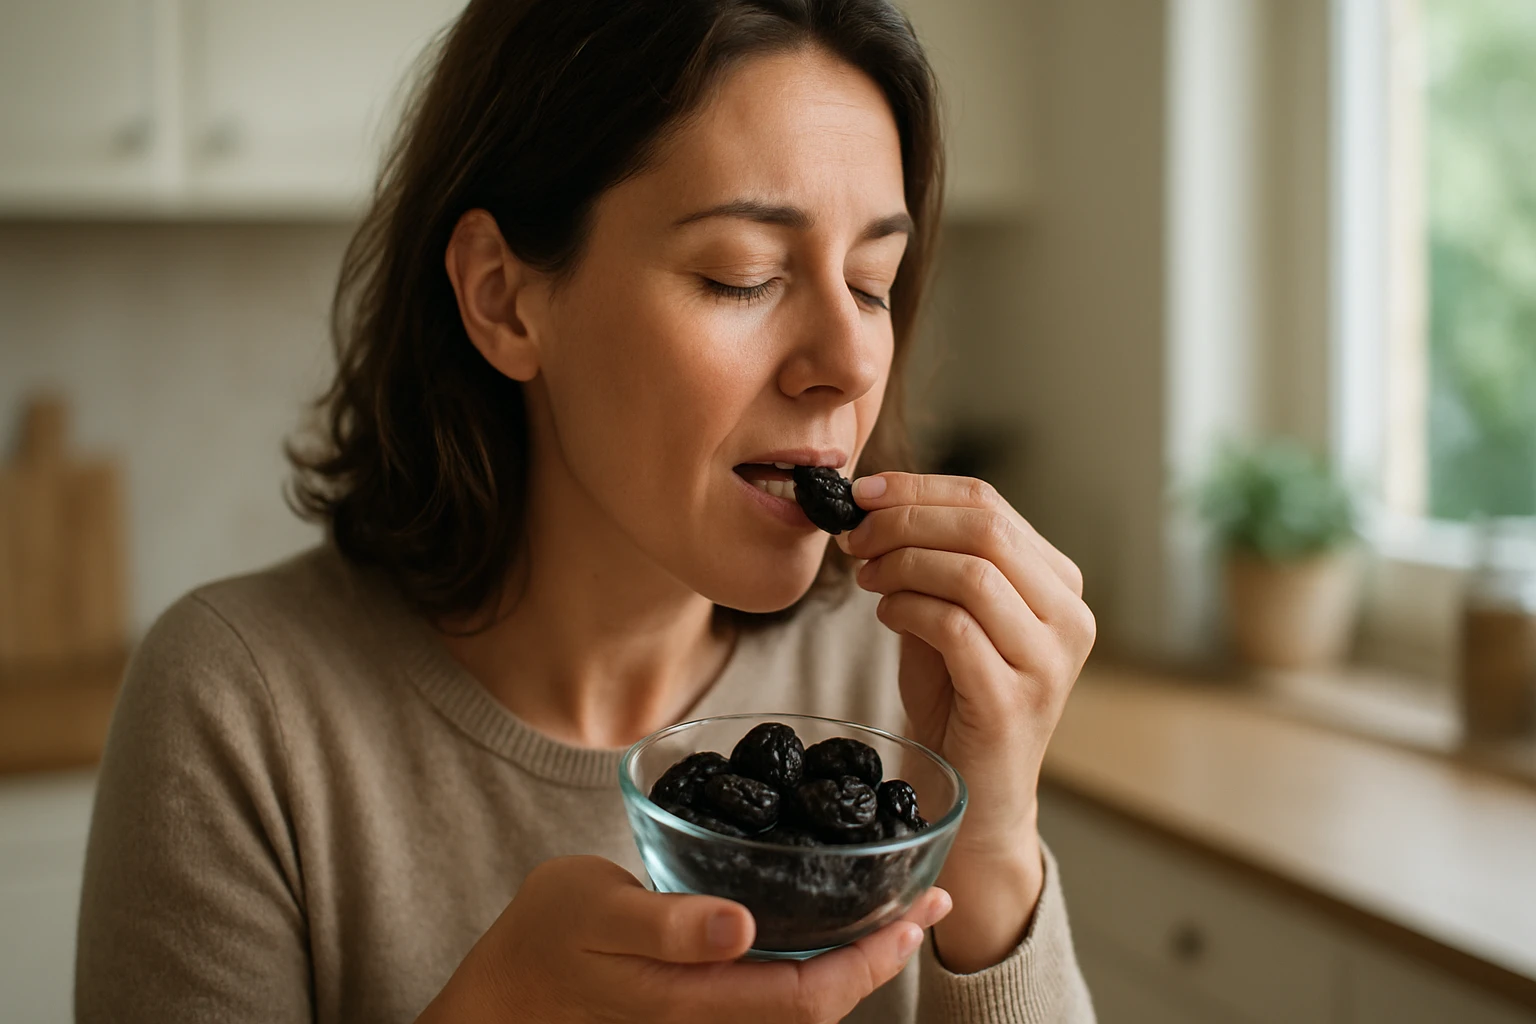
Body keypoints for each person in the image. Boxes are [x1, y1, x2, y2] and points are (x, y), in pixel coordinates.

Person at [75, 1, 1098, 1021]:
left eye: (872, 281)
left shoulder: (903, 683)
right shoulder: (238, 709)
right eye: (741, 274)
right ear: (503, 298)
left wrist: (996, 844)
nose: (848, 362)